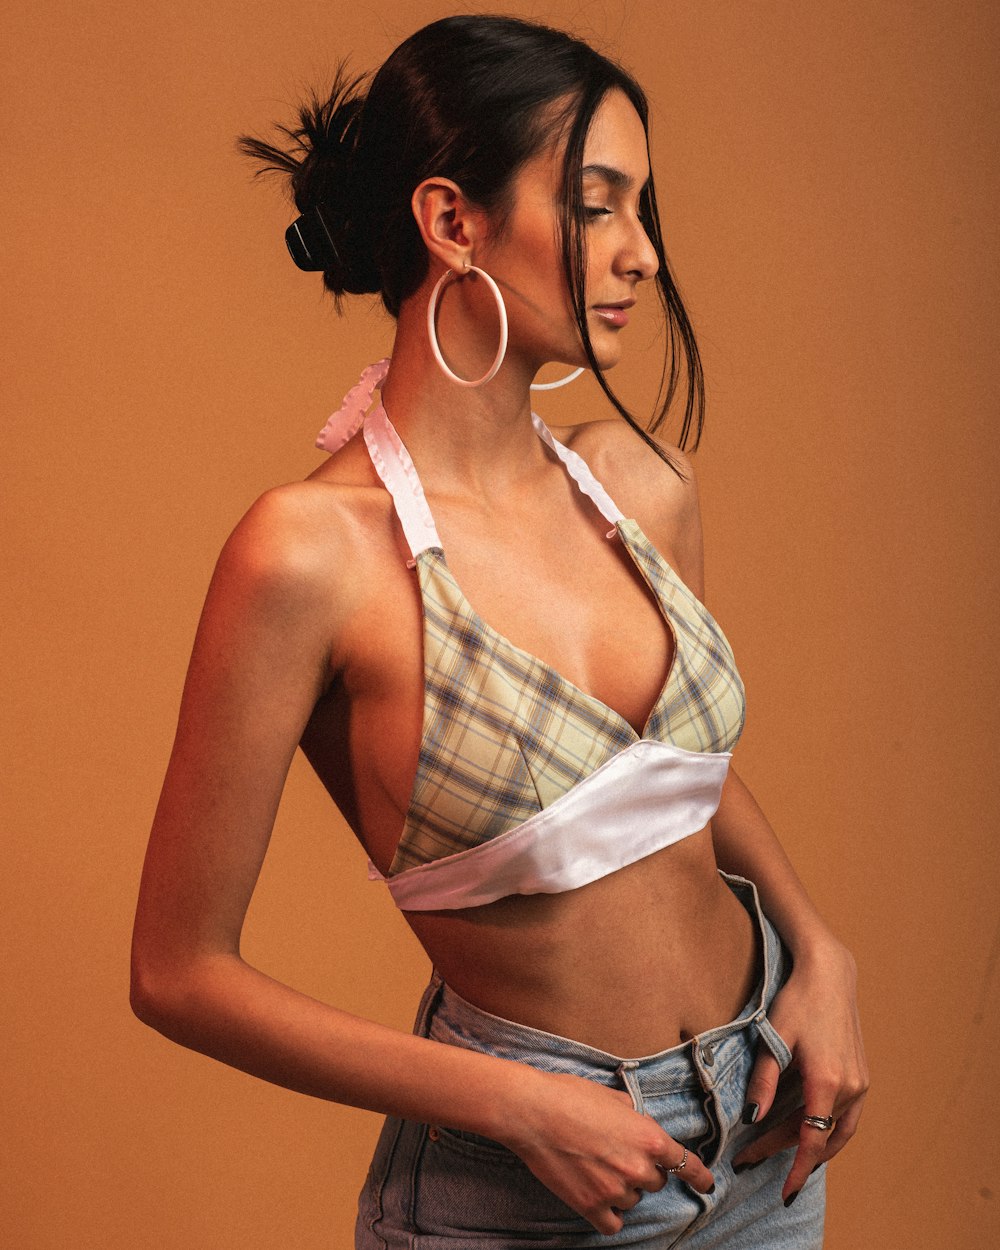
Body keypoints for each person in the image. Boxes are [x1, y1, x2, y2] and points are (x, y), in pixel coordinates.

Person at [131, 15, 867, 1248]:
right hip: (519, 1194)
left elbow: (675, 789)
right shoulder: (311, 553)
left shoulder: (640, 487)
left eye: (644, 208)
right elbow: (177, 971)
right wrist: (517, 1103)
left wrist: (821, 949)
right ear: (451, 221)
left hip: (761, 1135)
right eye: (597, 205)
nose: (640, 253)